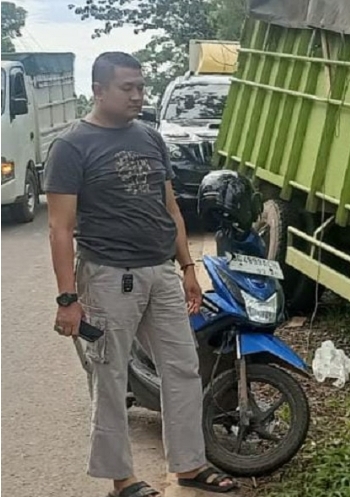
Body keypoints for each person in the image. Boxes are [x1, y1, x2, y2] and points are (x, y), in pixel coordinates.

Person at [45, 52, 236, 496]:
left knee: (184, 368)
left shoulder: (150, 138)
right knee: (110, 376)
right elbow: (60, 228)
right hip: (109, 276)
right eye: (126, 87)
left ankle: (189, 465)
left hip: (162, 273)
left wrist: (188, 267)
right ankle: (122, 480)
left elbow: (169, 208)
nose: (137, 95)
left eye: (141, 87)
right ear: (98, 90)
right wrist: (67, 299)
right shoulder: (72, 146)